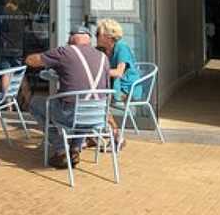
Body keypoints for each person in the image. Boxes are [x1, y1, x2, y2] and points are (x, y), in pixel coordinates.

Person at [24, 26, 110, 169]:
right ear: (89, 40)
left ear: (72, 38)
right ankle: (75, 149)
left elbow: (33, 61)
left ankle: (61, 150)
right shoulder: (104, 58)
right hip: (96, 117)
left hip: (70, 115)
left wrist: (27, 57)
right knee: (84, 104)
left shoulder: (65, 52)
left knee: (35, 103)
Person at [95, 18, 140, 148]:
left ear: (108, 36)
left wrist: (98, 71)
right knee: (93, 98)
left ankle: (117, 136)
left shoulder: (121, 47)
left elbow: (119, 72)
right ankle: (92, 136)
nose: (96, 36)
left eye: (98, 33)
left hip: (127, 88)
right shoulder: (102, 49)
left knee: (100, 102)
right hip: (112, 85)